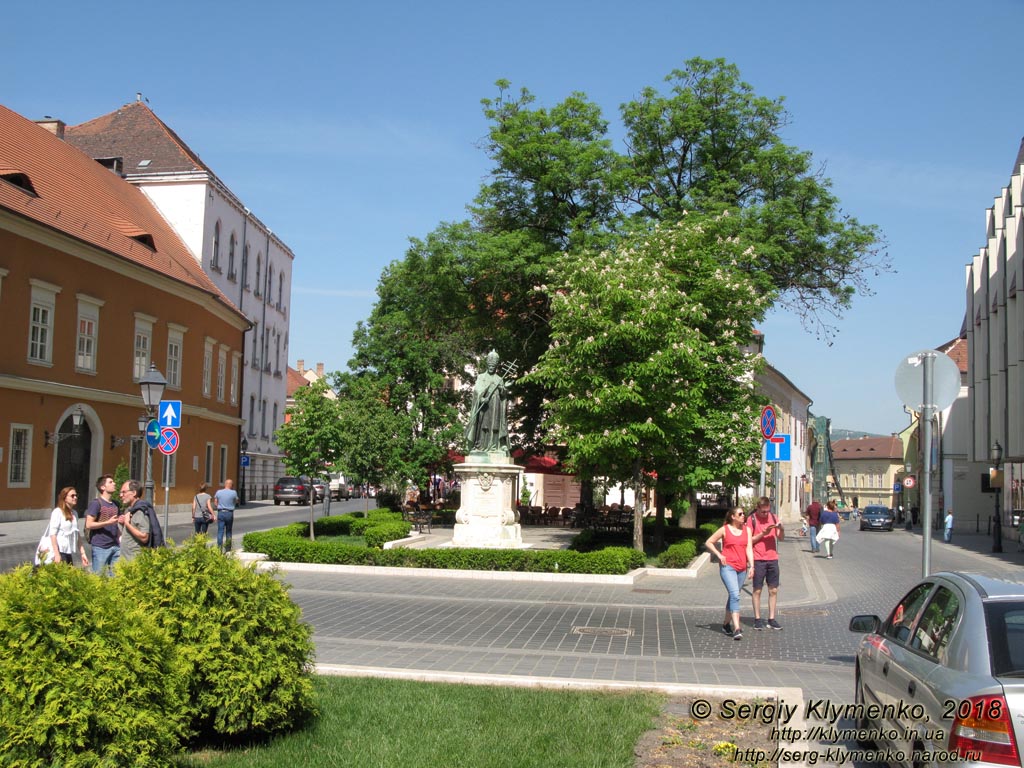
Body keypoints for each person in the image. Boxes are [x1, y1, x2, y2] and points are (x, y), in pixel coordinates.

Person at [704, 507, 754, 641]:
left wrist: (752, 565)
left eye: (744, 513)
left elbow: (749, 548)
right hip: (728, 567)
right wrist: (719, 555)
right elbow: (709, 542)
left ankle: (725, 624)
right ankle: (736, 628)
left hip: (742, 567)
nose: (743, 516)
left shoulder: (747, 530)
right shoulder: (725, 529)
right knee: (735, 595)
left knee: (733, 596)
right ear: (733, 516)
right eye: (740, 514)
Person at [746, 496, 785, 630]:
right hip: (758, 559)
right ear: (757, 509)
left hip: (772, 558)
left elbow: (781, 538)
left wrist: (782, 528)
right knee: (757, 590)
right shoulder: (751, 520)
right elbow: (749, 541)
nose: (765, 514)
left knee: (773, 590)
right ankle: (757, 618)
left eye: (767, 511)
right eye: (763, 511)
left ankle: (771, 618)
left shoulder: (773, 518)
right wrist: (763, 533)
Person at [464, 350, 509, 453]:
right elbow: (477, 391)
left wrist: (503, 389)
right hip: (485, 406)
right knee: (483, 425)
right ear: (487, 365)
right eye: (490, 366)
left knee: (495, 426)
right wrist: (481, 399)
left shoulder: (499, 379)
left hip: (496, 405)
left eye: (493, 366)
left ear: (496, 367)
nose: (491, 368)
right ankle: (480, 446)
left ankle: (495, 446)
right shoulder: (481, 377)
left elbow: (503, 396)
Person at [36, 486, 90, 568]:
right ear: (64, 498)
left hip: (67, 552)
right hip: (58, 551)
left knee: (67, 577)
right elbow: (52, 534)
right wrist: (57, 554)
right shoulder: (57, 512)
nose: (75, 497)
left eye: (76, 495)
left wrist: (83, 553)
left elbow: (77, 534)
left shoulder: (74, 513)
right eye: (72, 496)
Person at [85, 474, 120, 575]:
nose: (114, 483)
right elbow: (89, 524)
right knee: (99, 577)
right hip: (101, 546)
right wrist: (107, 522)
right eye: (110, 482)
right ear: (102, 487)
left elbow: (117, 525)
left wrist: (120, 539)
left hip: (115, 546)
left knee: (116, 577)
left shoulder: (116, 504)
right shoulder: (96, 503)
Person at [117, 480, 152, 561]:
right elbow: (128, 533)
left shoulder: (140, 511)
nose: (121, 495)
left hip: (134, 560)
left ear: (134, 493)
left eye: (124, 492)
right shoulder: (129, 510)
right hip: (125, 559)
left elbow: (144, 537)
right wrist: (123, 524)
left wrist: (127, 524)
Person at [214, 479, 239, 552]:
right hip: (229, 513)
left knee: (220, 531)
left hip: (221, 512)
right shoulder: (234, 492)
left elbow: (215, 502)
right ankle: (228, 549)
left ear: (225, 484)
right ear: (231, 485)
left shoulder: (219, 492)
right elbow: (236, 501)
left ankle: (219, 549)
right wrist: (232, 504)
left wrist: (219, 506)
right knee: (228, 531)